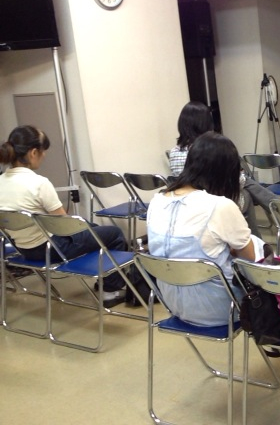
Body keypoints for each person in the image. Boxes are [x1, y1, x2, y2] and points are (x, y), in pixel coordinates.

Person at [0, 125, 128, 307]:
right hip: (52, 249)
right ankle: (109, 292)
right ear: (33, 153)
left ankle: (104, 280)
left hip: (23, 250)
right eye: (43, 151)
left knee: (92, 228)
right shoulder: (38, 183)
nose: (44, 155)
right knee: (114, 234)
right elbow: (66, 226)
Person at [147, 131, 256, 327]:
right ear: (226, 172)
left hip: (173, 305)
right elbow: (250, 260)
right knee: (257, 248)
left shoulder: (156, 201)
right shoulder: (220, 205)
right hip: (223, 309)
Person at [168, 101, 279, 237]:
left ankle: (276, 204)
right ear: (205, 123)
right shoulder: (209, 149)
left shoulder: (173, 152)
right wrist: (241, 176)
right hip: (212, 202)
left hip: (186, 204)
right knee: (245, 191)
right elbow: (231, 183)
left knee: (244, 183)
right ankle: (259, 235)